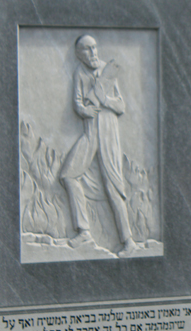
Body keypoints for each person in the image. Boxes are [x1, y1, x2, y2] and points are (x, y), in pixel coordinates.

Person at [60, 35, 138, 257]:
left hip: (108, 133)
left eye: (94, 48)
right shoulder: (80, 73)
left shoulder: (107, 72)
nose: (93, 53)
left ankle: (129, 241)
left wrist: (104, 99)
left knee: (114, 187)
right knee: (68, 175)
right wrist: (85, 110)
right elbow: (77, 103)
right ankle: (84, 231)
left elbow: (121, 106)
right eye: (87, 50)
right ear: (79, 54)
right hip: (89, 132)